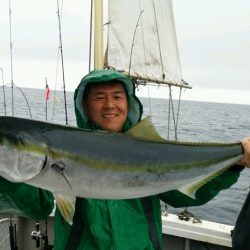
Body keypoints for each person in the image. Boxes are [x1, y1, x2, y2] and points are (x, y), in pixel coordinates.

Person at [0, 68, 250, 249]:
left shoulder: (149, 149)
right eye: (99, 97)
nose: (110, 104)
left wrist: (235, 160)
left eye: (117, 96)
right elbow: (38, 206)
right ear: (85, 107)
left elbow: (182, 195)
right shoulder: (59, 151)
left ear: (128, 104)